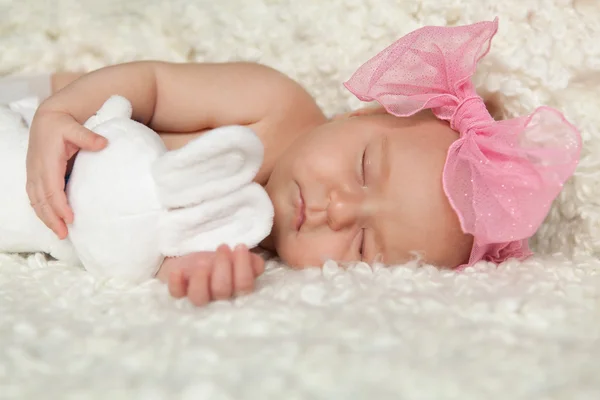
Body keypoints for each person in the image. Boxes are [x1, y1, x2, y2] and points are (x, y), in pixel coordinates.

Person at [14, 19, 581, 306]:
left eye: (363, 244)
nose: (336, 208)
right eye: (362, 168)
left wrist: (189, 274)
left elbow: (141, 251)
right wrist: (58, 112)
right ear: (360, 116)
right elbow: (152, 86)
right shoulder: (272, 106)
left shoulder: (257, 257)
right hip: (30, 115)